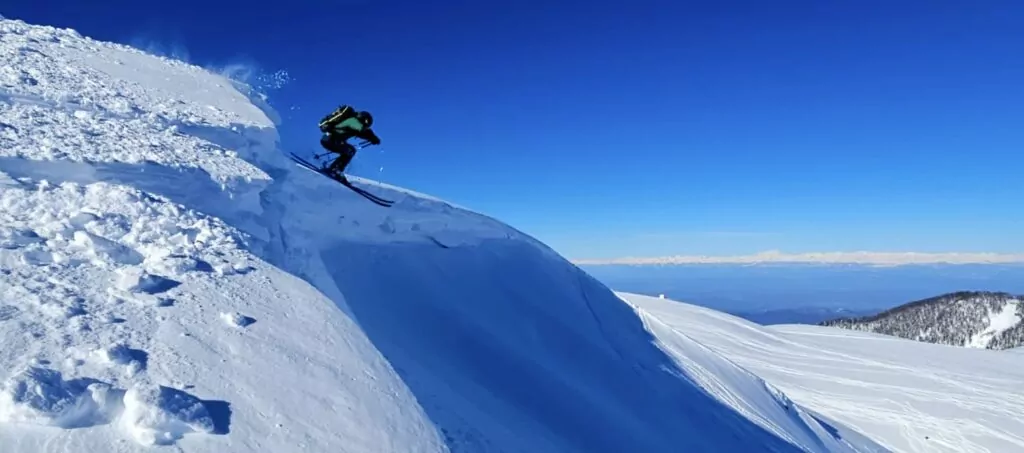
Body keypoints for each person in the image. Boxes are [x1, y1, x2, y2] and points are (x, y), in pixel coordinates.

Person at [319, 106, 381, 180]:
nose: (365, 127)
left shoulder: (352, 122)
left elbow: (362, 132)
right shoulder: (354, 121)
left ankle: (334, 169)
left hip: (329, 139)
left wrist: (372, 138)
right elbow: (363, 131)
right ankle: (335, 170)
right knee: (350, 151)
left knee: (350, 150)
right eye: (365, 125)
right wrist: (373, 138)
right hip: (331, 140)